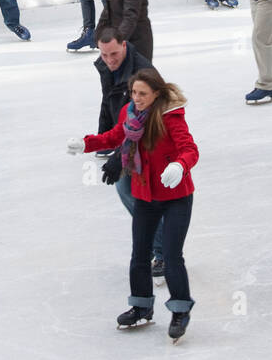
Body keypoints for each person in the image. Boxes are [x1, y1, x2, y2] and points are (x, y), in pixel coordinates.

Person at [69, 68, 198, 340]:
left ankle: (180, 310)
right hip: (145, 195)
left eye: (142, 94)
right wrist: (86, 143)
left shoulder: (170, 116)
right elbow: (115, 136)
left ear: (157, 94)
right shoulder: (130, 113)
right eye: (133, 92)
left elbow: (190, 149)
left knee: (173, 256)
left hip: (176, 196)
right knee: (139, 254)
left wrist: (179, 165)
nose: (136, 98)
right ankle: (141, 306)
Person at [94, 28, 164, 275]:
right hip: (129, 139)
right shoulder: (107, 67)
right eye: (104, 55)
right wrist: (103, 139)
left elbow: (141, 123)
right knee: (129, 192)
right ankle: (160, 246)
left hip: (151, 139)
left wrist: (117, 158)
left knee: (137, 192)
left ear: (124, 45)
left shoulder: (142, 73)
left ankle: (163, 251)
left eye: (114, 53)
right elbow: (108, 102)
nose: (109, 60)